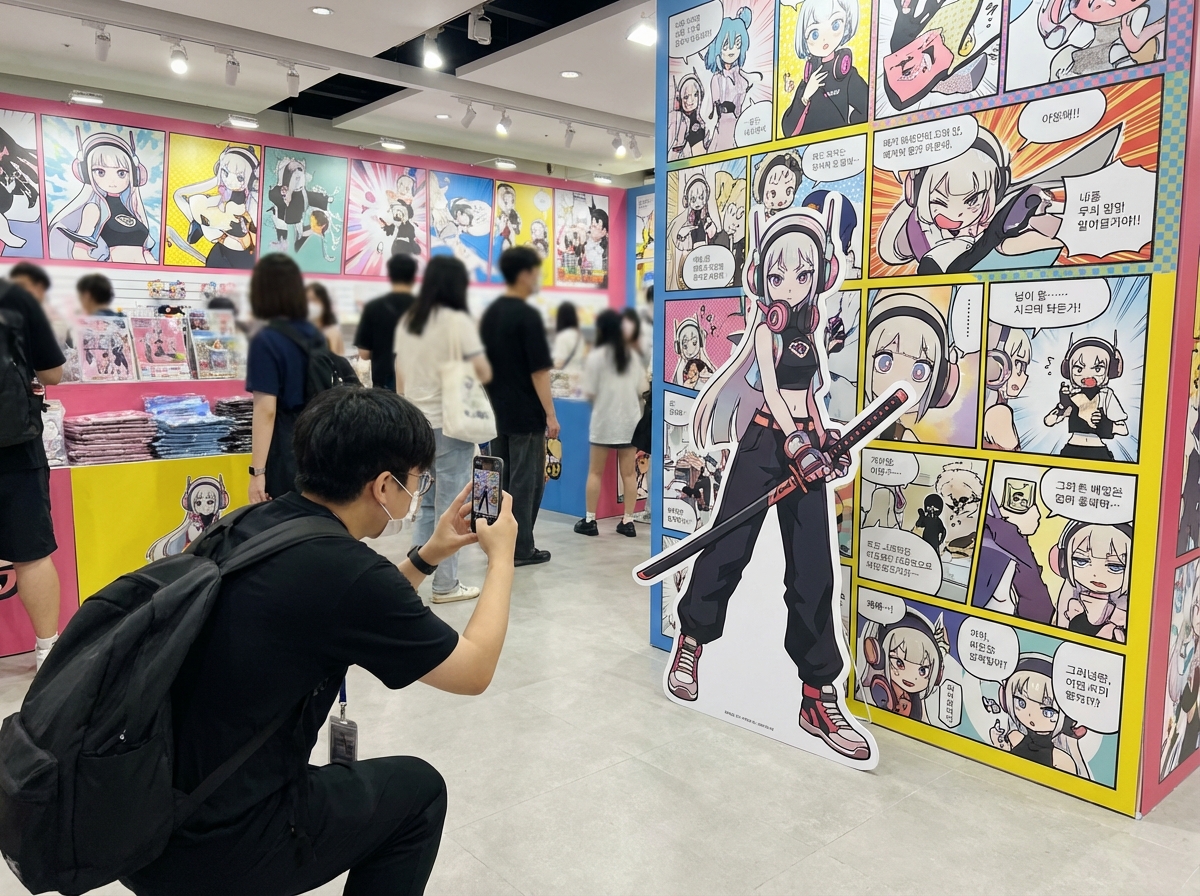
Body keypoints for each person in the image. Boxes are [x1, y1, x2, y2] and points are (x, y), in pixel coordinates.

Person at [123, 386, 519, 896]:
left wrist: (431, 552)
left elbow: (350, 605)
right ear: (383, 486)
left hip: (146, 813)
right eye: (415, 483)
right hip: (219, 843)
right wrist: (502, 556)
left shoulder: (246, 525)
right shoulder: (348, 571)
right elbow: (474, 670)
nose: (415, 495)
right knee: (418, 793)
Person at [395, 256, 493, 603]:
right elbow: (482, 370)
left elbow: (400, 372)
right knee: (452, 506)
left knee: (428, 507)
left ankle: (410, 581)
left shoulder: (409, 320)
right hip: (451, 425)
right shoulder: (456, 321)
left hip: (418, 426)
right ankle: (446, 585)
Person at [0, 276, 65, 671]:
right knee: (32, 552)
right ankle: (46, 653)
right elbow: (53, 373)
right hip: (14, 444)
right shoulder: (17, 299)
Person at [479, 246, 559, 566]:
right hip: (525, 413)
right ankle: (521, 548)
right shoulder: (527, 316)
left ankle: (493, 543)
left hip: (494, 413)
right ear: (525, 274)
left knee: (496, 479)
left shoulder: (489, 314)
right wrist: (550, 414)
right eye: (537, 272)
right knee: (525, 482)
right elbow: (539, 371)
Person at [245, 253, 325, 503]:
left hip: (286, 450)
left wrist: (257, 473)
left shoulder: (265, 339)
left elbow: (266, 409)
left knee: (281, 528)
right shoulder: (312, 333)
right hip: (319, 444)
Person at [575, 309, 647, 538]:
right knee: (628, 474)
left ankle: (590, 520)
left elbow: (589, 391)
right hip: (630, 422)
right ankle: (628, 521)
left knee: (595, 472)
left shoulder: (595, 357)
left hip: (603, 422)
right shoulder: (632, 356)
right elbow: (643, 389)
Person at [355, 253, 416, 390]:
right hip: (416, 384)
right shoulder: (423, 308)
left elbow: (364, 354)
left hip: (383, 384)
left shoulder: (373, 307)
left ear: (390, 275)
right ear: (413, 276)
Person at [307, 282, 345, 355]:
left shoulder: (332, 332)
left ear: (324, 302)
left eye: (314, 299)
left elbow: (334, 361)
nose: (310, 304)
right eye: (307, 300)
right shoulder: (301, 329)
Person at [552, 301, 585, 375]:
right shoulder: (579, 335)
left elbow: (558, 363)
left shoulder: (562, 336)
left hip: (564, 378)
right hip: (578, 376)